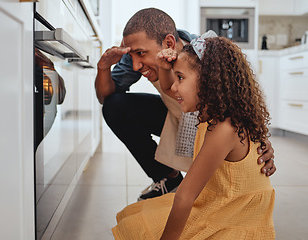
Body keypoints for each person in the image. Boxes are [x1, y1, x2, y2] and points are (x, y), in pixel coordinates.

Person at [95, 8, 276, 201]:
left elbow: (243, 97)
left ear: (169, 43)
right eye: (132, 56)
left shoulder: (206, 54)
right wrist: (103, 68)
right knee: (115, 106)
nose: (135, 66)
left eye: (141, 54)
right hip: (175, 116)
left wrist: (259, 138)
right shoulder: (136, 56)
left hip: (209, 124)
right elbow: (105, 98)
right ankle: (168, 178)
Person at [112, 33, 275, 240]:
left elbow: (184, 196)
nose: (173, 86)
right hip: (219, 203)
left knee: (138, 227)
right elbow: (167, 87)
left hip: (233, 218)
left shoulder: (224, 128)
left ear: (208, 81)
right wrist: (164, 66)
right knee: (134, 215)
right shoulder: (215, 113)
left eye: (179, 77)